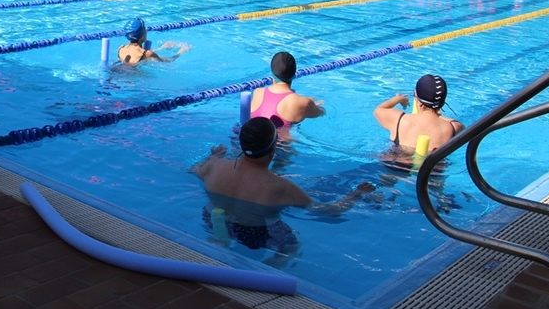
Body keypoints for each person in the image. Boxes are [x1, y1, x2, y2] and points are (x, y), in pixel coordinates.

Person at [195, 117, 374, 253]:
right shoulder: (281, 187)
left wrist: (212, 156)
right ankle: (272, 270)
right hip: (255, 233)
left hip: (212, 220)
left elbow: (194, 170)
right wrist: (356, 193)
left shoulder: (214, 164)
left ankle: (220, 242)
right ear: (274, 148)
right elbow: (329, 211)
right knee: (294, 246)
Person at [373, 74, 464, 153]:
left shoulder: (400, 120)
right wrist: (437, 114)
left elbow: (378, 110)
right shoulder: (453, 127)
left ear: (416, 96)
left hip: (396, 169)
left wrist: (398, 99)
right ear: (443, 101)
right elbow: (459, 125)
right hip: (433, 171)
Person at [250, 51, 325, 127]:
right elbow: (321, 113)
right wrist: (313, 105)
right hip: (281, 139)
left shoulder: (258, 92)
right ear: (294, 73)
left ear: (272, 71)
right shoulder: (304, 102)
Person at [117, 17, 190, 64]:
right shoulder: (147, 54)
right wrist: (180, 52)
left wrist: (162, 48)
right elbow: (168, 60)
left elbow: (135, 55)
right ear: (142, 35)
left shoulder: (121, 49)